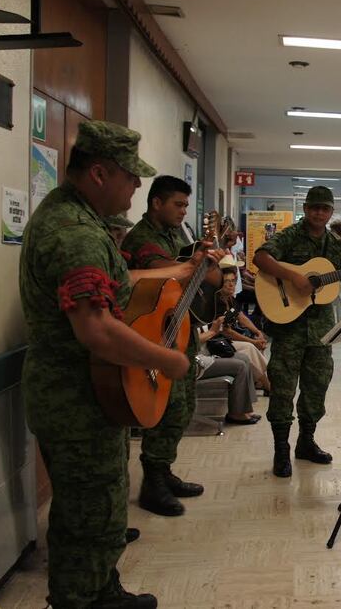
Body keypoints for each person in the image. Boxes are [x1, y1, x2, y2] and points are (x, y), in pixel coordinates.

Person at [19, 120, 193, 608]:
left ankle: (102, 589)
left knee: (97, 507)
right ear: (98, 173)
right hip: (76, 399)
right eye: (130, 177)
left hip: (92, 393)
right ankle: (82, 599)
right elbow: (94, 329)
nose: (137, 187)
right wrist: (169, 360)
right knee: (87, 511)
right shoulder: (75, 233)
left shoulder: (76, 220)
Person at [254, 186, 341, 477]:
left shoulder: (337, 245)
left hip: (321, 329)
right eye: (314, 207)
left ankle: (306, 441)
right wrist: (294, 277)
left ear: (330, 212)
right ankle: (281, 449)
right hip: (288, 325)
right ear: (305, 208)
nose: (318, 213)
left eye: (324, 209)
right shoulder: (289, 236)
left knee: (316, 387)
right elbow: (261, 258)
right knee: (283, 388)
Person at [121, 174, 225, 518]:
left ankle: (163, 471)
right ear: (156, 203)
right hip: (152, 333)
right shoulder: (143, 238)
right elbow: (162, 270)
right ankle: (153, 482)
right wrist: (196, 265)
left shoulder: (177, 235)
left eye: (185, 205)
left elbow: (201, 275)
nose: (183, 211)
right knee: (165, 408)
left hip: (179, 327)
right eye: (177, 204)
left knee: (181, 406)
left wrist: (210, 267)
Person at [195, 316, 259, 425]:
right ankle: (236, 414)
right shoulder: (184, 319)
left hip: (204, 354)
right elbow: (192, 341)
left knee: (244, 358)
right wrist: (212, 331)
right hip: (196, 361)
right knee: (240, 366)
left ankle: (246, 409)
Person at [214, 270, 270, 393]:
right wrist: (252, 341)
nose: (231, 285)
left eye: (233, 281)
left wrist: (257, 332)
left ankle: (259, 381)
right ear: (219, 284)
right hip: (218, 341)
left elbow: (241, 317)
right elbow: (226, 332)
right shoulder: (217, 302)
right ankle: (268, 385)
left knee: (258, 340)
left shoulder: (231, 299)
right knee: (250, 347)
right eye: (227, 281)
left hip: (230, 338)